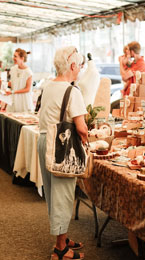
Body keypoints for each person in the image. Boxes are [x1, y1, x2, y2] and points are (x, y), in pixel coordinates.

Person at [37, 46, 88, 260]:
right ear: (73, 65)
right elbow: (82, 128)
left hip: (44, 141)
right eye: (80, 65)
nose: (81, 70)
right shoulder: (72, 91)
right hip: (62, 147)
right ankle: (60, 249)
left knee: (53, 193)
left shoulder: (49, 86)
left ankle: (63, 237)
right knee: (64, 195)